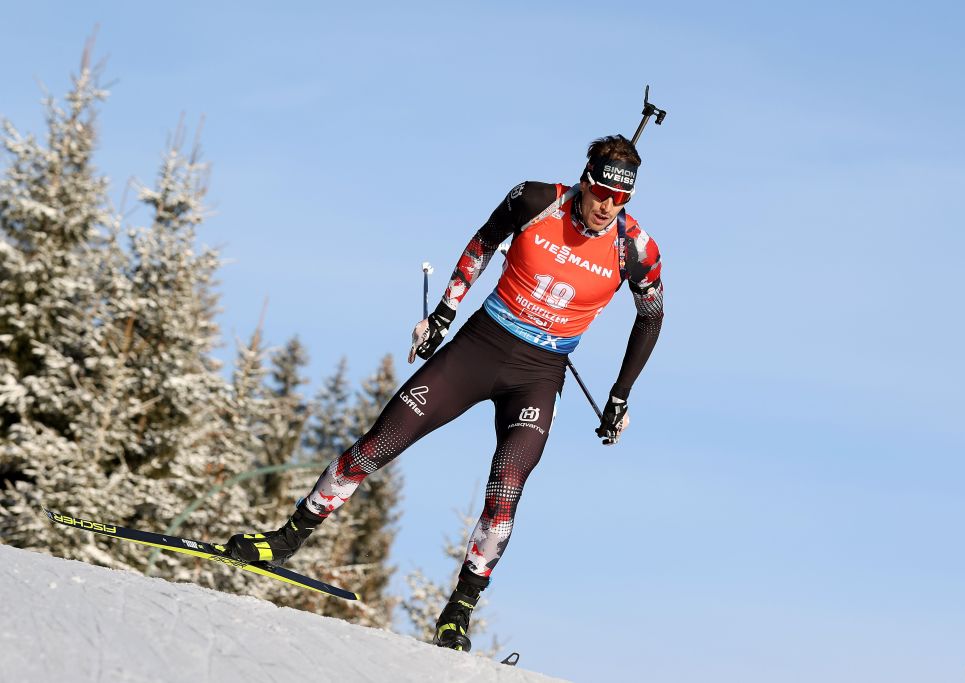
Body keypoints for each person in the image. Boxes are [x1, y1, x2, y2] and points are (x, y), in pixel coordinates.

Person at [225, 134, 664, 652]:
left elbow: (651, 317)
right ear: (586, 180)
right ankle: (285, 540)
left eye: (621, 199)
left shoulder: (635, 248)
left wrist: (620, 396)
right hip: (480, 347)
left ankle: (458, 612)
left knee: (506, 487)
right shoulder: (536, 200)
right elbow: (482, 244)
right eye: (601, 194)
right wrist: (444, 312)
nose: (608, 207)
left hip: (539, 375)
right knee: (380, 443)